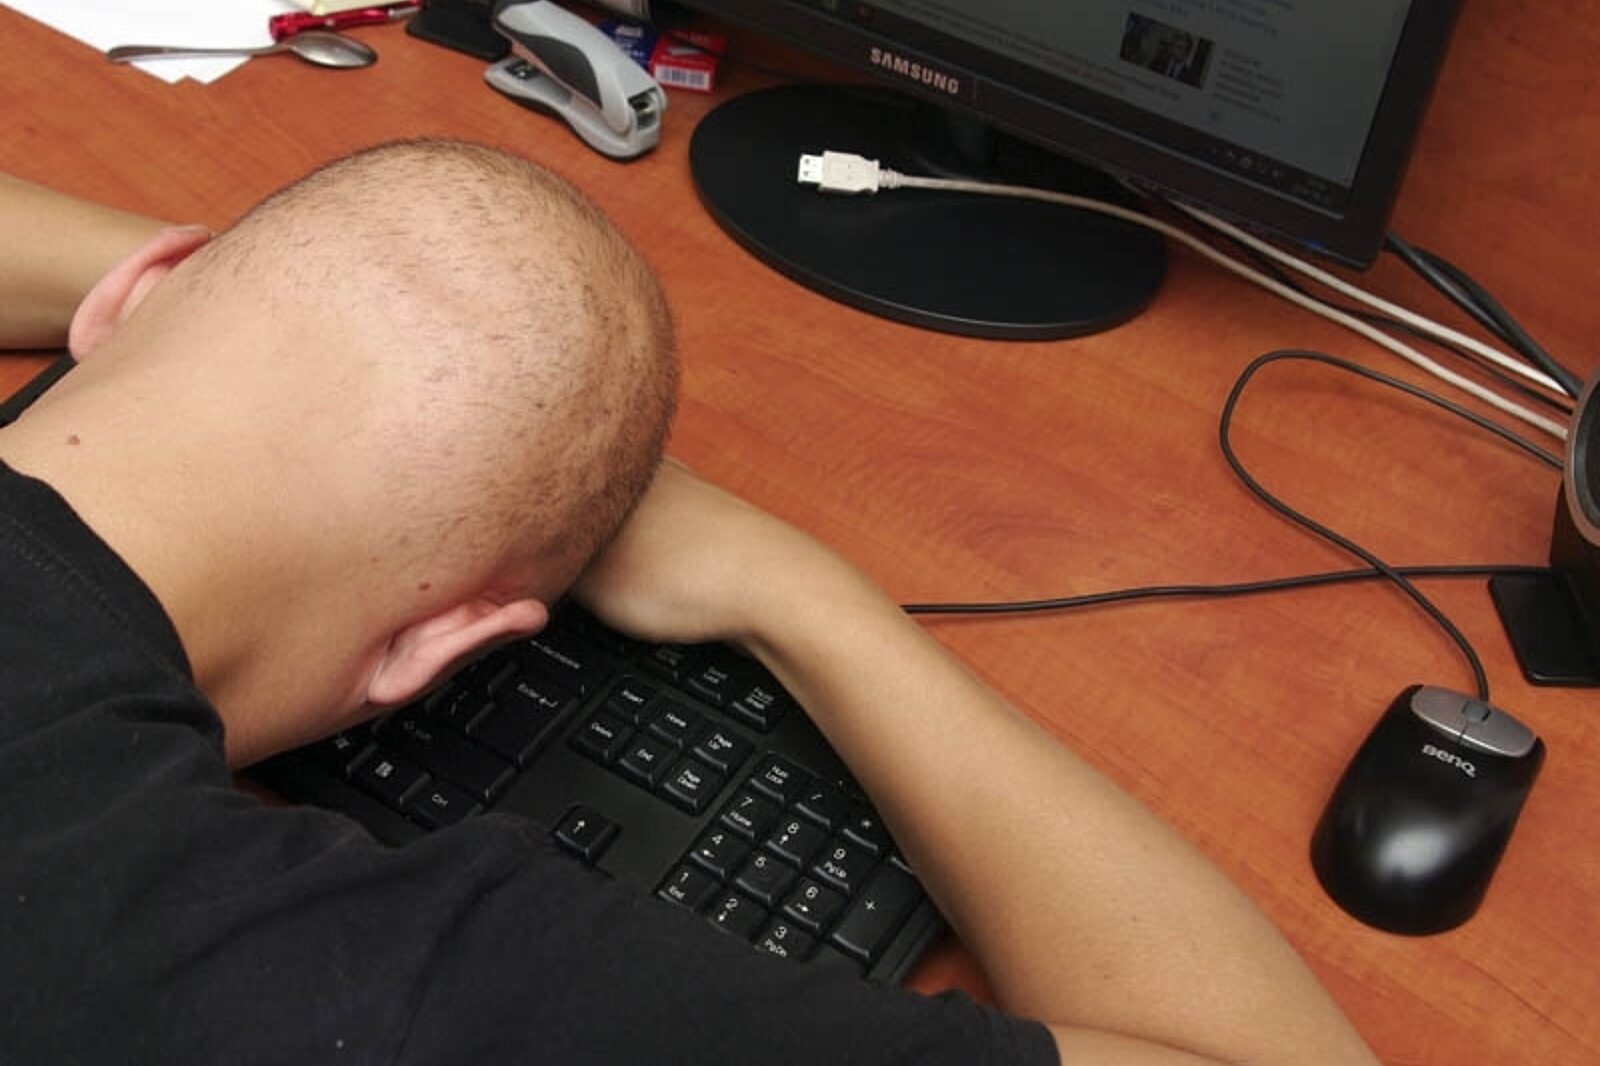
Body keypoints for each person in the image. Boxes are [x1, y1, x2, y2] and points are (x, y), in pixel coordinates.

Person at [0, 139, 1381, 1065]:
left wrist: (277, 306)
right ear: (437, 646)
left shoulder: (130, 317)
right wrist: (804, 593)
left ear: (123, 299)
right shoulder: (346, 976)